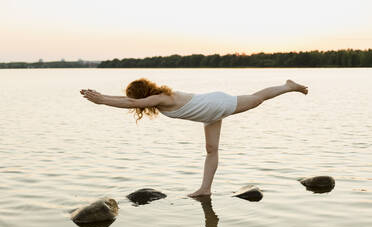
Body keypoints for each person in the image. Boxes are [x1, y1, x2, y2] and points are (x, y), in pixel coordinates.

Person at [80, 78, 308, 197]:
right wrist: (103, 97)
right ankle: (205, 189)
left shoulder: (161, 98)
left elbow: (131, 103)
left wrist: (102, 101)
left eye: (134, 96)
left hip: (215, 104)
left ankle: (288, 86)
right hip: (208, 113)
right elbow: (129, 100)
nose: (132, 99)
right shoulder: (156, 98)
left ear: (143, 94)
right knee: (212, 149)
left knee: (257, 99)